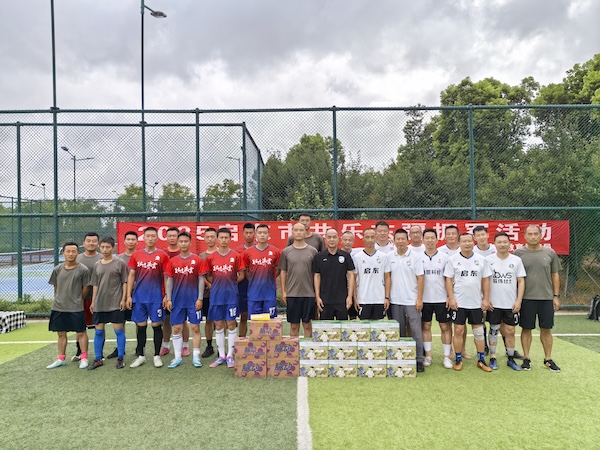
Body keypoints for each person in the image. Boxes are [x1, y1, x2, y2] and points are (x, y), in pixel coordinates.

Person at [514, 224, 562, 372]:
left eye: (536, 233)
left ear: (541, 235)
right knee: (526, 328)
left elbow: (555, 274)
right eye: (530, 234)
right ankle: (526, 359)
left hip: (546, 298)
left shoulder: (550, 252)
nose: (533, 236)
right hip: (526, 298)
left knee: (546, 329)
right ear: (524, 236)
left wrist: (555, 296)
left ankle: (548, 359)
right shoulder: (518, 253)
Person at [444, 233, 493, 372]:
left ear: (473, 242)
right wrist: (451, 298)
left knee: (479, 332)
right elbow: (448, 280)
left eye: (469, 241)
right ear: (459, 243)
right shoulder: (452, 260)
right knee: (458, 330)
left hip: (476, 303)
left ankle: (481, 360)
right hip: (459, 303)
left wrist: (486, 298)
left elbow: (485, 280)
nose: (467, 244)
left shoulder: (481, 260)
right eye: (464, 241)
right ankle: (458, 359)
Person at [127, 226, 170, 368]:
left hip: (156, 297)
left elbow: (166, 277)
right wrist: (128, 296)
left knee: (156, 326)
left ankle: (157, 355)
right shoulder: (136, 255)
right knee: (141, 327)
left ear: (157, 238)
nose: (150, 238)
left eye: (153, 236)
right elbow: (131, 275)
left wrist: (166, 295)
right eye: (148, 236)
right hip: (139, 298)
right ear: (143, 238)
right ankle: (141, 356)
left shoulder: (163, 255)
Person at [384, 229, 425, 372]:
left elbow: (420, 279)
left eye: (403, 239)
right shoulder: (389, 256)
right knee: (399, 331)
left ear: (407, 240)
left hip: (412, 300)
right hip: (395, 300)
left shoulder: (415, 257)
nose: (400, 241)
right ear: (394, 241)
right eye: (398, 239)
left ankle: (419, 359)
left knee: (416, 331)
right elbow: (387, 277)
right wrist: (387, 297)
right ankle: (401, 357)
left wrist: (419, 299)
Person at [164, 231, 206, 369]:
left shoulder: (197, 260)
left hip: (193, 300)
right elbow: (169, 280)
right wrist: (169, 298)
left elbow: (201, 280)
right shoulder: (172, 261)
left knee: (195, 328)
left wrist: (200, 298)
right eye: (181, 241)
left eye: (186, 241)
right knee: (177, 328)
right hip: (177, 300)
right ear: (178, 243)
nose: (183, 244)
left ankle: (196, 357)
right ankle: (177, 358)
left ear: (190, 242)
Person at [46, 242, 91, 369]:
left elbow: (86, 289)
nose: (71, 254)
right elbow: (56, 287)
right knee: (61, 333)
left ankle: (84, 358)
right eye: (68, 251)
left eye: (73, 251)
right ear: (63, 253)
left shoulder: (83, 270)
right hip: (58, 307)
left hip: (76, 307)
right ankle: (61, 358)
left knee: (81, 332)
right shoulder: (57, 269)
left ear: (77, 253)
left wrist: (76, 299)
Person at [206, 228, 245, 368]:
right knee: (218, 325)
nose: (223, 240)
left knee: (231, 324)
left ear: (230, 239)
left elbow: (241, 275)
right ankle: (221, 356)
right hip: (216, 296)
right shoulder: (211, 257)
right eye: (221, 237)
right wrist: (217, 284)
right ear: (217, 239)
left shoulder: (236, 256)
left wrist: (231, 284)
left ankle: (230, 355)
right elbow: (208, 276)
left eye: (226, 237)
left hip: (231, 296)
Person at [486, 232, 526, 371]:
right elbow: (484, 281)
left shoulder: (516, 260)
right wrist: (486, 298)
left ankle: (510, 358)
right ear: (494, 244)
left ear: (509, 244)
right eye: (499, 242)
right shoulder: (488, 260)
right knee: (494, 329)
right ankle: (493, 357)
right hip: (493, 303)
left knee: (510, 330)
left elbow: (521, 281)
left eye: (505, 242)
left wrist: (518, 301)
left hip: (510, 303)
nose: (502, 244)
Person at [87, 237, 129, 370]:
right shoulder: (97, 264)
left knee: (119, 331)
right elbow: (95, 284)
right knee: (98, 332)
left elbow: (125, 282)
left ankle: (120, 358)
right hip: (100, 304)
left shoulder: (120, 263)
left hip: (115, 303)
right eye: (103, 247)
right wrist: (93, 301)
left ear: (113, 248)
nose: (105, 249)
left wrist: (123, 299)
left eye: (107, 247)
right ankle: (98, 359)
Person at [420, 228, 453, 369]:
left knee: (445, 326)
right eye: (427, 238)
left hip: (441, 299)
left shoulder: (445, 257)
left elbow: (449, 279)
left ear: (437, 240)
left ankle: (446, 357)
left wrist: (449, 296)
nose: (429, 241)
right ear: (422, 240)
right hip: (425, 299)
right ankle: (428, 356)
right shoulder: (418, 258)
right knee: (426, 326)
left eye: (432, 238)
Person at [279, 222, 318, 338]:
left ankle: (307, 349)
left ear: (306, 232)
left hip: (308, 294)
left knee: (307, 325)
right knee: (294, 326)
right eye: (296, 230)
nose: (299, 232)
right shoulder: (286, 252)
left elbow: (316, 274)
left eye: (301, 230)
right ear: (292, 232)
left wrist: (316, 292)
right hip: (292, 294)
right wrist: (284, 291)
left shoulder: (313, 251)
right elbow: (283, 272)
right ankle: (293, 349)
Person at [106, 230, 138, 360]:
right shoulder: (117, 259)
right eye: (128, 239)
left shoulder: (141, 256)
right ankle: (120, 348)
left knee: (139, 322)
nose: (130, 242)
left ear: (137, 241)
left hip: (138, 295)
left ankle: (139, 347)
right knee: (121, 322)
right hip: (121, 296)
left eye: (133, 239)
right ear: (124, 241)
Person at [161, 226, 191, 358]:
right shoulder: (163, 254)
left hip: (182, 294)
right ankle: (166, 346)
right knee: (167, 320)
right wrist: (166, 295)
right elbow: (165, 276)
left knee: (182, 320)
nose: (172, 238)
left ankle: (185, 346)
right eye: (170, 236)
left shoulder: (185, 253)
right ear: (166, 238)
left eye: (174, 236)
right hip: (167, 293)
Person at [313, 228, 355, 320]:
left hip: (342, 299)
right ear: (325, 239)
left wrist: (349, 296)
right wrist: (318, 297)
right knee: (326, 327)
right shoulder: (319, 257)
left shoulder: (345, 256)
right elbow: (317, 276)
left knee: (343, 327)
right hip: (325, 300)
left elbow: (351, 275)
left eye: (334, 237)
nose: (331, 239)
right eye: (329, 237)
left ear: (338, 239)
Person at [72, 232, 101, 362]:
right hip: (80, 299)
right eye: (88, 241)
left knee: (99, 328)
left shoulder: (102, 258)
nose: (91, 243)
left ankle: (100, 354)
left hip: (98, 299)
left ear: (98, 244)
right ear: (83, 243)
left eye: (94, 241)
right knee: (80, 327)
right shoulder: (76, 258)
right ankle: (80, 352)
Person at [244, 224, 281, 318]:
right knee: (254, 322)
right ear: (256, 235)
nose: (262, 235)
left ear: (269, 235)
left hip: (269, 294)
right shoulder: (248, 252)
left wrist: (270, 279)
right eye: (260, 233)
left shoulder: (276, 251)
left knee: (270, 322)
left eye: (265, 233)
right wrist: (254, 280)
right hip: (254, 294)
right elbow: (246, 271)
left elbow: (278, 270)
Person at [352, 228, 386, 320]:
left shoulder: (383, 257)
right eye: (367, 237)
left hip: (379, 299)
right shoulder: (357, 257)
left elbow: (387, 278)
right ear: (363, 238)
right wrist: (355, 298)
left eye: (372, 237)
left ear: (376, 238)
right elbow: (353, 279)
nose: (370, 240)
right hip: (363, 299)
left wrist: (387, 297)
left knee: (378, 326)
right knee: (364, 326)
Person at [234, 223, 256, 337]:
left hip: (257, 285)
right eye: (246, 233)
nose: (248, 235)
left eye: (251, 233)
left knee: (257, 316)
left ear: (254, 233)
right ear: (242, 234)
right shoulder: (237, 250)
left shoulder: (259, 248)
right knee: (243, 315)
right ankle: (242, 339)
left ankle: (257, 340)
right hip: (242, 285)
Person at [199, 227, 218, 358]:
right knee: (209, 320)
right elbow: (201, 274)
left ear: (216, 238)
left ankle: (223, 349)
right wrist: (208, 284)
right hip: (207, 294)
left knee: (223, 321)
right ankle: (209, 346)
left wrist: (217, 286)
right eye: (208, 237)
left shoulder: (222, 253)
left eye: (212, 237)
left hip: (221, 293)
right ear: (204, 239)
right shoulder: (201, 256)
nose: (210, 239)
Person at [340, 231, 361, 319]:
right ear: (341, 241)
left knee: (353, 317)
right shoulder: (337, 254)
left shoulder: (358, 254)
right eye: (345, 240)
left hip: (355, 289)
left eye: (350, 240)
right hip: (341, 290)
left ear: (353, 242)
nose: (347, 242)